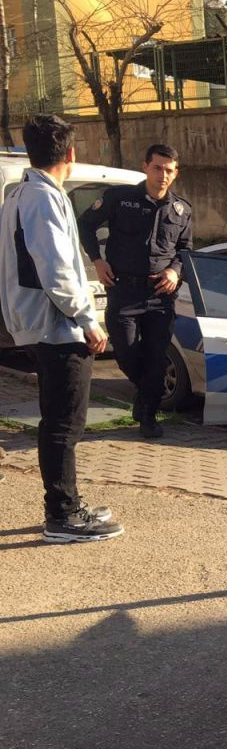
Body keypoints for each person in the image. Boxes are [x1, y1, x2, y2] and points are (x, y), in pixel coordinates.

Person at [0, 115, 123, 542]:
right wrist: (89, 320)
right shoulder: (44, 199)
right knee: (65, 423)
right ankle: (64, 515)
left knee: (57, 420)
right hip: (58, 326)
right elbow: (56, 269)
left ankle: (66, 505)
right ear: (70, 154)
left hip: (38, 323)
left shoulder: (18, 195)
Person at [78, 143, 192, 439]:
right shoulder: (120, 198)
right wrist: (97, 260)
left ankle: (148, 417)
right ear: (145, 167)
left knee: (156, 358)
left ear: (175, 173)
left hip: (160, 295)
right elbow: (85, 224)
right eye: (157, 168)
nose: (163, 175)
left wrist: (174, 271)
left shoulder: (182, 210)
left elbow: (185, 250)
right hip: (124, 291)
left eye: (169, 170)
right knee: (126, 354)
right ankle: (145, 395)